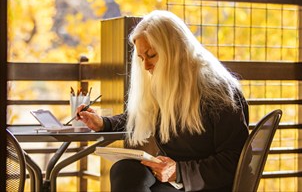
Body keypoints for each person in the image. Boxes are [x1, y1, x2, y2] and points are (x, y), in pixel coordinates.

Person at [76, 10, 250, 192]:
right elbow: (142, 116)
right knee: (124, 169)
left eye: (151, 55)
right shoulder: (168, 84)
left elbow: (235, 159)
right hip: (171, 179)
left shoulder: (219, 92)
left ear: (175, 50)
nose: (146, 66)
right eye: (141, 58)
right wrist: (103, 123)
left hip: (202, 184)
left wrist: (180, 171)